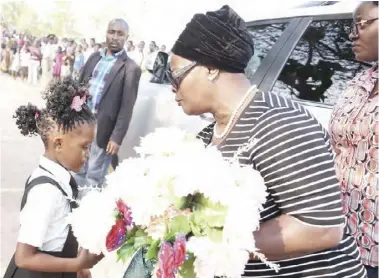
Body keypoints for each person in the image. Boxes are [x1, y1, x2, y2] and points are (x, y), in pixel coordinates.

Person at [167, 5, 367, 277]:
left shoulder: (279, 123)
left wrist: (206, 244)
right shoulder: (209, 134)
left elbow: (321, 229)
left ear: (211, 68)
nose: (172, 87)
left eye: (175, 75)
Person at [3, 77, 102, 278]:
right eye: (84, 146)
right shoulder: (46, 192)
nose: (88, 154)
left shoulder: (61, 178)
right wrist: (76, 263)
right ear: (58, 144)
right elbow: (24, 257)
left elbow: (59, 233)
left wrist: (79, 268)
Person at [329, 2, 378, 277]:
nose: (352, 34)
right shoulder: (358, 83)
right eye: (352, 26)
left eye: (363, 23)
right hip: (336, 240)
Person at [76, 18, 141, 189]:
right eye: (111, 32)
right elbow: (79, 87)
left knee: (93, 176)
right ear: (106, 33)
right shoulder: (94, 58)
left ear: (126, 37)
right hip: (82, 122)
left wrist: (116, 137)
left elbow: (127, 107)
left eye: (120, 34)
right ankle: (72, 206)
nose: (114, 37)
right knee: (77, 168)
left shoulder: (130, 69)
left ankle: (86, 211)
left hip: (103, 129)